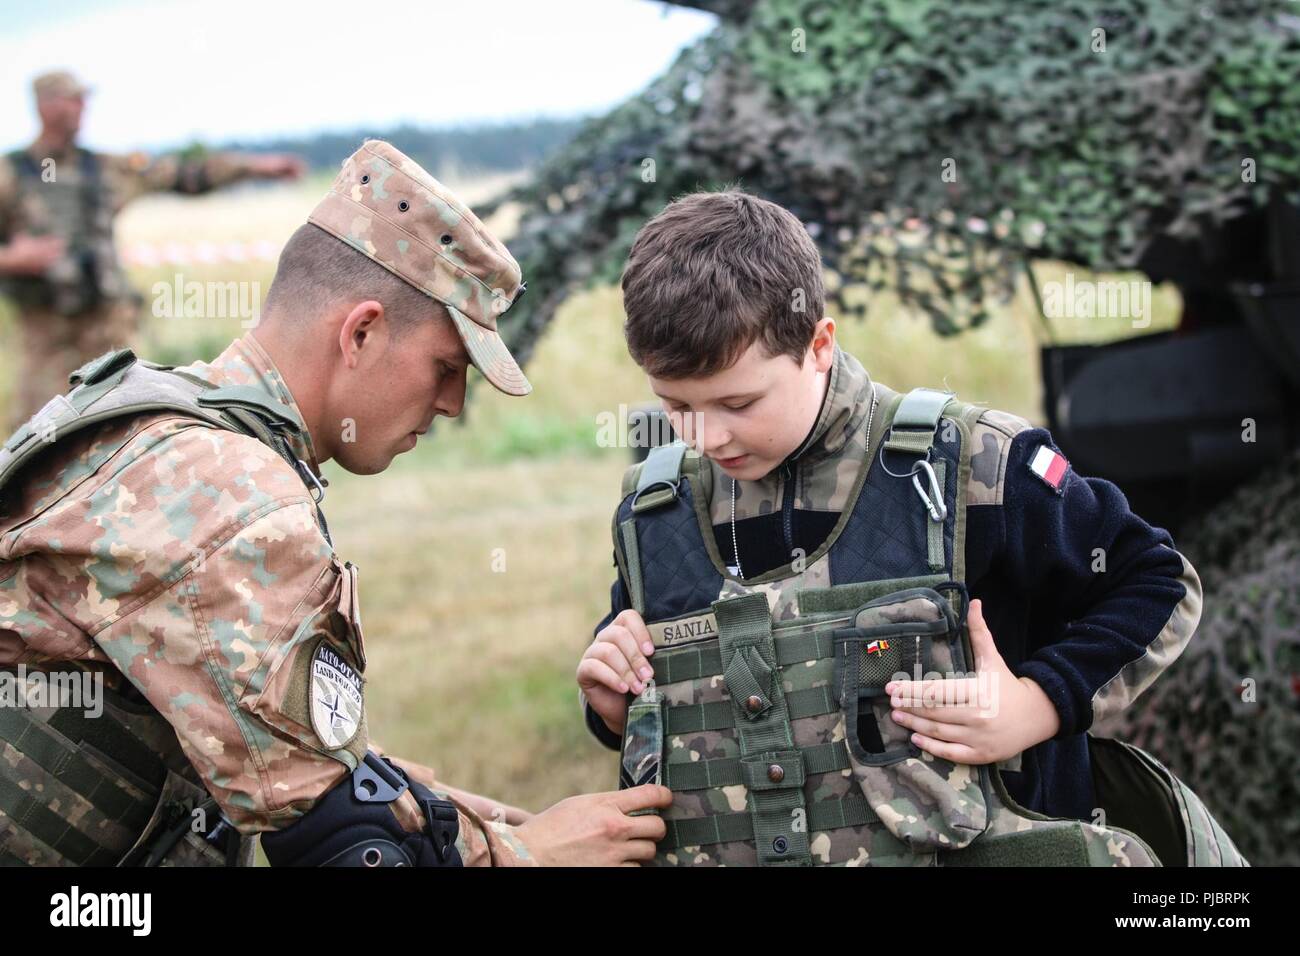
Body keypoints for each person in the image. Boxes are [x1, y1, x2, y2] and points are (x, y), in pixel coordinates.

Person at [0, 139, 669, 867]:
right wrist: (525, 853)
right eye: (447, 368)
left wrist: (435, 810)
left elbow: (258, 723)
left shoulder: (165, 418)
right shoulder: (233, 499)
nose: (451, 405)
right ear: (361, 332)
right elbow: (344, 849)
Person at [576, 189, 1245, 866]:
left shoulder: (971, 466)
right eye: (676, 405)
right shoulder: (658, 515)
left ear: (818, 346)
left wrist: (1035, 705)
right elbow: (668, 720)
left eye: (738, 401)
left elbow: (1156, 583)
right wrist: (614, 706)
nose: (707, 434)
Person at [0, 69, 305, 431]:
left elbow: (183, 175)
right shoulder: (11, 175)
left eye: (84, 99)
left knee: (128, 428)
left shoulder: (103, 168)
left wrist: (255, 167)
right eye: (73, 99)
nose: (83, 108)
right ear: (46, 106)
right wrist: (14, 259)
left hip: (109, 331)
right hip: (47, 336)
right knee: (37, 436)